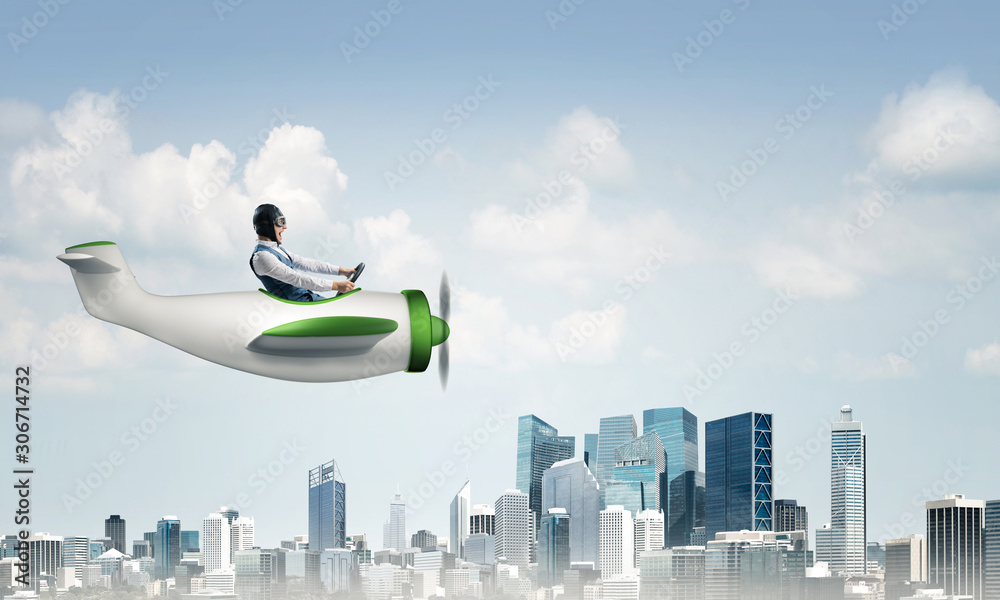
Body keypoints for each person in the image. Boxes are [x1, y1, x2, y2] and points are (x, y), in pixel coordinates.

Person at [249, 204, 356, 301]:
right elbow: (297, 279)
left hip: (307, 299)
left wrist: (343, 271)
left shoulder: (277, 249)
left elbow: (308, 264)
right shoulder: (262, 257)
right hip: (297, 308)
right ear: (268, 226)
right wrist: (337, 286)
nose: (285, 227)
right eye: (280, 222)